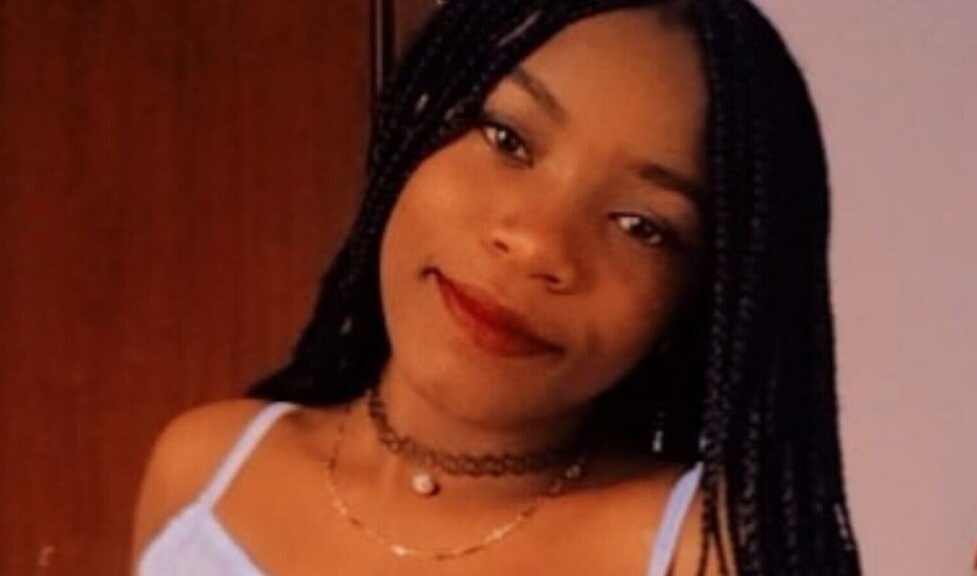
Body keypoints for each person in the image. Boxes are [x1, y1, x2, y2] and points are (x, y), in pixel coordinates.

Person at [131, 0, 862, 574]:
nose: (538, 244)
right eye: (508, 139)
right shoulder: (205, 467)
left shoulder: (702, 553)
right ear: (416, 127)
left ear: (694, 299)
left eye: (640, 224)